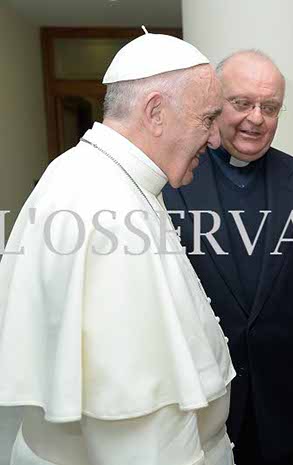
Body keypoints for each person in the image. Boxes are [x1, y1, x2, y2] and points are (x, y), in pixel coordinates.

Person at [0, 33, 235, 465]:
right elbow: (141, 431)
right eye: (207, 119)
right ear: (155, 112)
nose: (216, 140)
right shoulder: (105, 208)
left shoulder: (97, 175)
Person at [162, 50, 293, 465]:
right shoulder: (169, 181)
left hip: (280, 396)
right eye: (242, 103)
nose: (256, 118)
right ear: (215, 104)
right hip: (196, 398)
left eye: (270, 107)